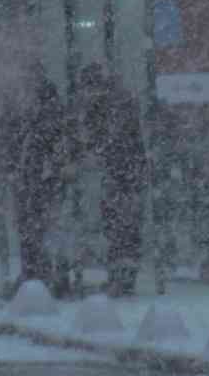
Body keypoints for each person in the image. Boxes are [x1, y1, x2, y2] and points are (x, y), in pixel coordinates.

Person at [77, 64, 147, 297]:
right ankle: (122, 276)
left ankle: (123, 278)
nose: (86, 95)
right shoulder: (114, 102)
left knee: (121, 225)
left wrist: (95, 150)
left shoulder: (112, 105)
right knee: (121, 225)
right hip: (124, 172)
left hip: (124, 173)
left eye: (88, 89)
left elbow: (111, 139)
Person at [9, 64, 72, 297]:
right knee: (41, 230)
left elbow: (41, 146)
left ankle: (40, 275)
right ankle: (43, 274)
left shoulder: (40, 111)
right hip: (38, 179)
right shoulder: (43, 110)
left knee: (37, 229)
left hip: (39, 180)